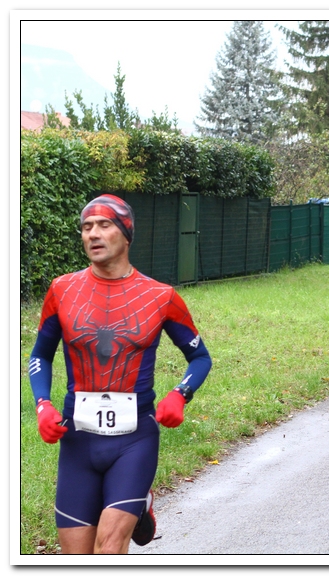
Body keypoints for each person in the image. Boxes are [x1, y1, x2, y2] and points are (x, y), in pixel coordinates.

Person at [28, 194, 212, 554]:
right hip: (77, 440)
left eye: (104, 225)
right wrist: (43, 405)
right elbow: (40, 355)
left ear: (126, 234)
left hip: (135, 439)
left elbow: (200, 358)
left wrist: (180, 395)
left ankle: (136, 500)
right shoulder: (61, 290)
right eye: (86, 227)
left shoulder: (161, 296)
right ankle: (139, 504)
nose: (93, 234)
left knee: (109, 549)